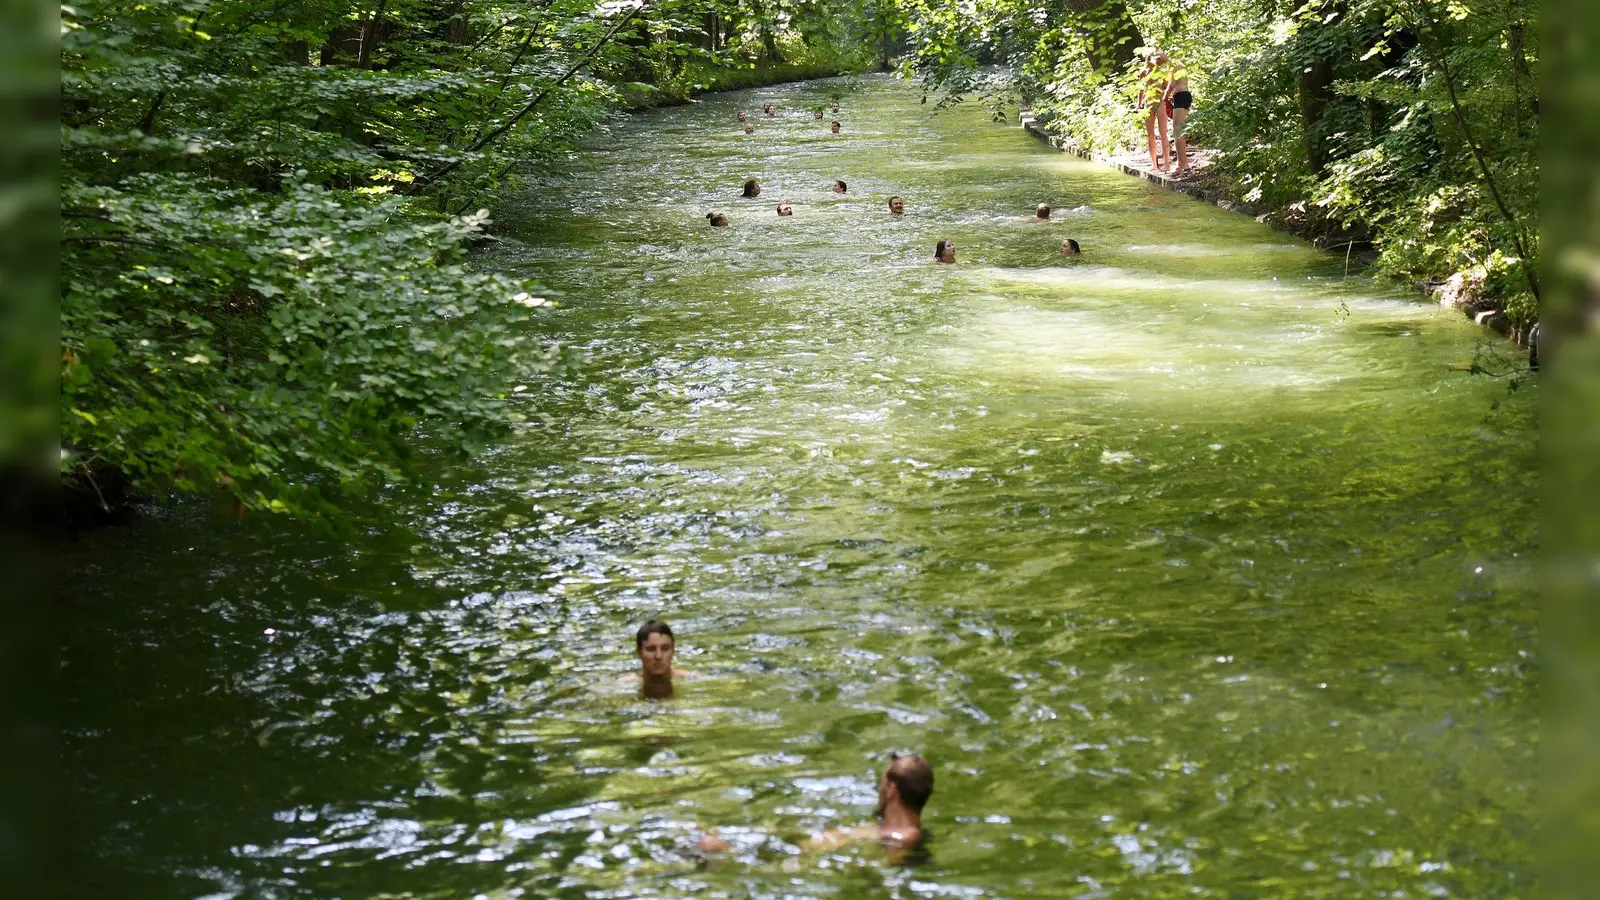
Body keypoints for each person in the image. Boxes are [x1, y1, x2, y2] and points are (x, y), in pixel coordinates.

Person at [698, 754, 934, 859]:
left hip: (789, 863)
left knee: (708, 846)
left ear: (892, 790)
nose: (879, 790)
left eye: (882, 784)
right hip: (791, 850)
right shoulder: (891, 830)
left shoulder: (902, 839)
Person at [630, 619, 692, 699]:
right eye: (651, 649)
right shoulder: (623, 685)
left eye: (665, 648)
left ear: (673, 650)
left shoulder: (693, 680)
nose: (658, 656)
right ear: (639, 652)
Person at [1159, 51, 1194, 176]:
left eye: (1159, 60)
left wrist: (1165, 97)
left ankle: (1182, 164)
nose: (1159, 63)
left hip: (1181, 96)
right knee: (1178, 131)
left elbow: (1172, 84)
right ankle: (1183, 163)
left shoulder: (1174, 64)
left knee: (1178, 131)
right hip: (1181, 96)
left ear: (1162, 56)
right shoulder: (1175, 65)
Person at [1136, 56, 1168, 172]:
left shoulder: (1162, 72)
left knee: (1163, 133)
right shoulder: (1143, 73)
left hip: (1160, 102)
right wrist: (1138, 104)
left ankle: (1166, 163)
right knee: (1150, 135)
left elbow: (1166, 86)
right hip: (1148, 104)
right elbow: (1141, 89)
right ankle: (1154, 164)